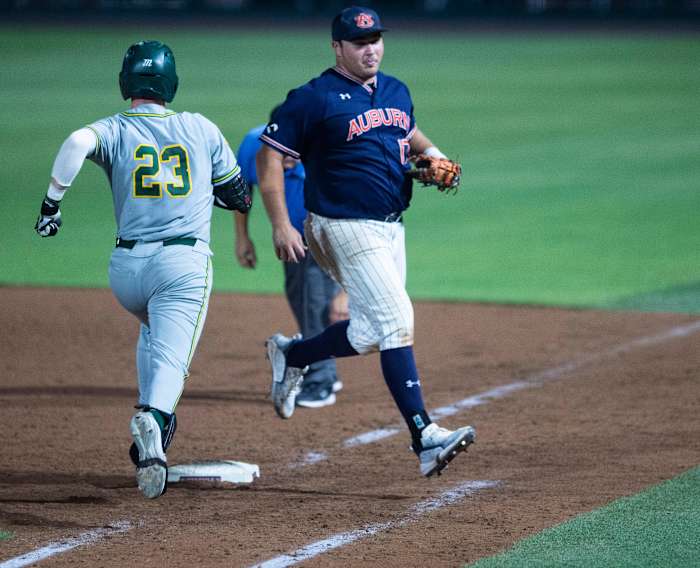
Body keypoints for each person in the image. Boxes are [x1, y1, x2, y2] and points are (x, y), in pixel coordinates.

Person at [256, 6, 475, 477]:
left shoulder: (396, 89)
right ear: (337, 47)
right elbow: (268, 157)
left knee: (372, 332)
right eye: (359, 42)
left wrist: (432, 155)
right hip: (340, 225)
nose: (370, 47)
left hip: (391, 227)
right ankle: (425, 437)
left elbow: (408, 130)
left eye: (375, 39)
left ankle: (293, 355)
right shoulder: (313, 98)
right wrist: (279, 223)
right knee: (398, 319)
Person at [34, 40, 251, 498]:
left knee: (152, 330)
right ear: (170, 83)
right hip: (180, 265)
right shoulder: (200, 127)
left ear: (126, 81)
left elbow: (76, 142)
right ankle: (153, 421)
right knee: (174, 358)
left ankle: (150, 418)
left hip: (126, 271)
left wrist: (52, 204)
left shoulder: (112, 129)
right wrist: (204, 194)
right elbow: (238, 197)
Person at [235, 120, 348, 408]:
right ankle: (323, 370)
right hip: (289, 239)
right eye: (280, 154)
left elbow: (348, 212)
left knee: (315, 302)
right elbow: (241, 191)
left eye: (291, 154)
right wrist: (242, 237)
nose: (287, 161)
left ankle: (321, 381)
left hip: (327, 234)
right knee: (299, 296)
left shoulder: (323, 156)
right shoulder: (253, 145)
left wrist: (347, 286)